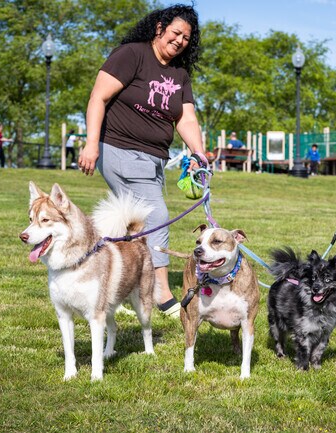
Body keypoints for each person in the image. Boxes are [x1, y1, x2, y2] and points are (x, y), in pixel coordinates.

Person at [78, 4, 205, 319]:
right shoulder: (131, 55)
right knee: (156, 214)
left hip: (154, 160)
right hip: (119, 149)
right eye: (176, 33)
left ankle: (113, 287)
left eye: (186, 38)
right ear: (160, 27)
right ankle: (160, 292)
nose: (180, 41)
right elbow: (98, 97)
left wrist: (199, 152)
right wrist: (91, 144)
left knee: (129, 224)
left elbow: (185, 119)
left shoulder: (179, 74)